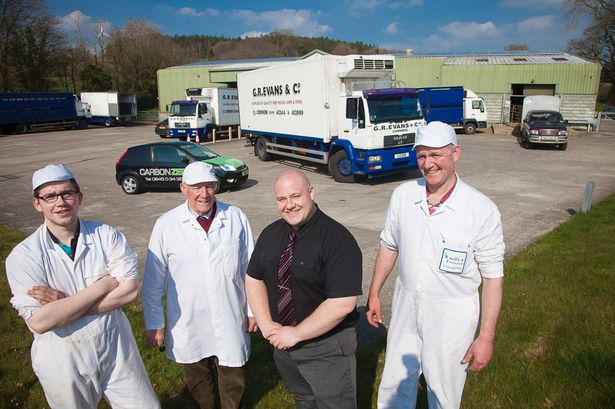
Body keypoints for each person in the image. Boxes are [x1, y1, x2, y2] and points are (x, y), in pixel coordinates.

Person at [366, 121, 505, 409]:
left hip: (451, 318)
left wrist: (486, 337)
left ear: (456, 153)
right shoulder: (404, 196)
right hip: (406, 308)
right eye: (421, 156)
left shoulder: (480, 209)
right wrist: (375, 292)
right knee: (394, 385)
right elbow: (389, 245)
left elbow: (493, 277)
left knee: (443, 391)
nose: (428, 164)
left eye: (436, 155)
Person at [5, 164, 160, 409]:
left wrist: (65, 307)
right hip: (63, 356)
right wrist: (105, 284)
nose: (61, 202)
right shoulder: (24, 256)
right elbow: (40, 322)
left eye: (67, 193)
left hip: (116, 347)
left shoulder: (105, 235)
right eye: (50, 197)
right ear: (37, 203)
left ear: (79, 197)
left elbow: (130, 291)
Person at [142, 161, 256, 409]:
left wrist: (252, 311)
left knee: (233, 371)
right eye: (196, 187)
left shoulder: (235, 217)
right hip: (188, 317)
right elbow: (153, 280)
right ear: (183, 188)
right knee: (196, 372)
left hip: (229, 310)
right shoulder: (166, 224)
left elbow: (252, 269)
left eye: (209, 186)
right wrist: (154, 324)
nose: (204, 194)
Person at [245, 169, 363, 409]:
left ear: (311, 193)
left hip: (326, 348)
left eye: (296, 196)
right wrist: (267, 325)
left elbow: (343, 303)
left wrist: (296, 334)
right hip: (283, 345)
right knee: (304, 400)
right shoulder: (271, 234)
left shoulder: (337, 239)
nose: (289, 205)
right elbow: (253, 277)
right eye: (281, 199)